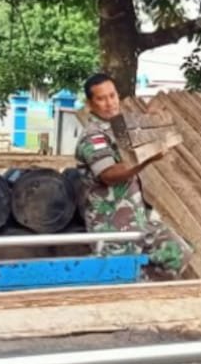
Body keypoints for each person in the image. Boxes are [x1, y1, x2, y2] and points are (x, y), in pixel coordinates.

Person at [74, 71, 193, 278]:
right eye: (101, 98)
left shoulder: (117, 126)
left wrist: (154, 118)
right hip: (112, 223)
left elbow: (136, 145)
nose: (110, 103)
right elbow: (109, 174)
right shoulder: (93, 136)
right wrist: (148, 158)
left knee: (178, 252)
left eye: (112, 95)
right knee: (117, 276)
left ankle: (144, 290)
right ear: (90, 104)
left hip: (139, 217)